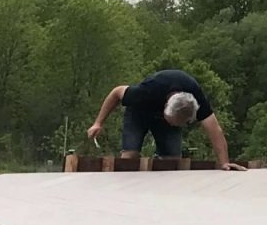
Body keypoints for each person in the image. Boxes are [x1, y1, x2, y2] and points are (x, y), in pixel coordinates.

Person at [86, 69, 244, 168]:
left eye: (178, 124)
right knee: (130, 156)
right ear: (166, 108)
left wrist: (224, 162)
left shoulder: (195, 96)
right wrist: (98, 123)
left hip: (167, 111)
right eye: (173, 123)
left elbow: (215, 130)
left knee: (172, 161)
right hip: (138, 112)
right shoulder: (146, 91)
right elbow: (117, 92)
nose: (175, 126)